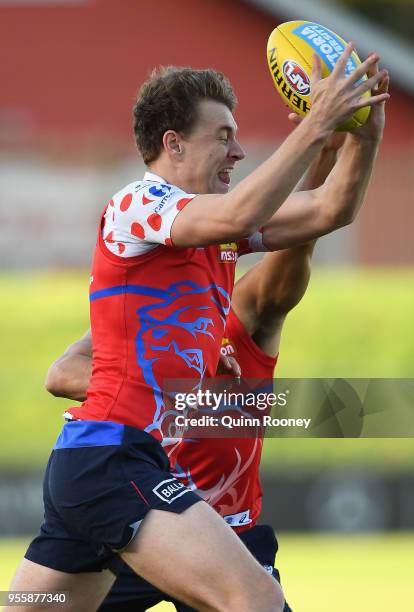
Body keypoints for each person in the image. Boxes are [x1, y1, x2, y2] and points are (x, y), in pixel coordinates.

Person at [7, 46, 388, 612]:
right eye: (224, 136)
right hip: (113, 459)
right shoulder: (139, 203)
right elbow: (238, 215)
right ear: (173, 143)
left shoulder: (213, 234)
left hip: (104, 464)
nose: (237, 151)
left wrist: (365, 133)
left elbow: (329, 209)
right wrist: (317, 121)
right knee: (255, 601)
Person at [45, 130, 347, 612]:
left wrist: (328, 152)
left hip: (226, 526)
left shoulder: (241, 303)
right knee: (30, 601)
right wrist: (183, 391)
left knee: (256, 599)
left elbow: (306, 235)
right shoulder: (146, 317)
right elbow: (61, 373)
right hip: (143, 511)